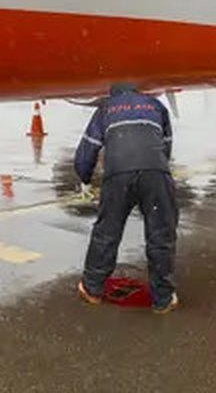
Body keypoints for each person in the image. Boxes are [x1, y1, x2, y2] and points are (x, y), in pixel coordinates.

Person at [74, 83, 179, 313]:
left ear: (113, 93)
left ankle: (92, 289)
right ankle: (163, 299)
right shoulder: (155, 105)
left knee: (107, 233)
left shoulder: (106, 109)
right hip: (155, 172)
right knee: (161, 235)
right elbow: (166, 145)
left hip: (118, 174)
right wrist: (156, 170)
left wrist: (85, 178)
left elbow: (88, 148)